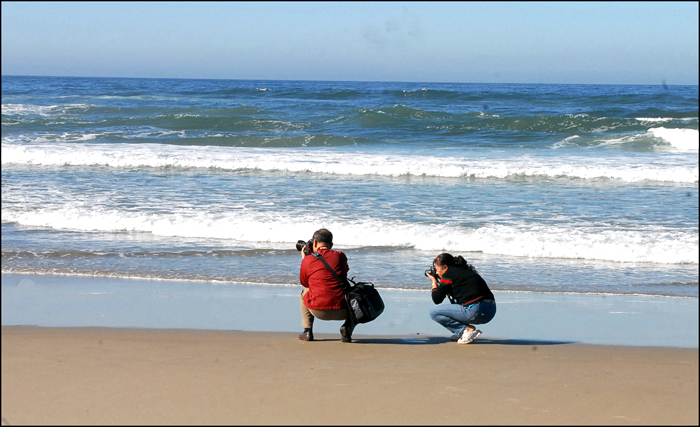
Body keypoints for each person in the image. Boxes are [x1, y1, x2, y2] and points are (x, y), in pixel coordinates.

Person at [298, 228, 356, 343]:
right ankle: (348, 328)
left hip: (318, 310)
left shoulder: (308, 260)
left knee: (305, 291)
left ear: (314, 243)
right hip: (344, 310)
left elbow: (305, 283)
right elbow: (344, 272)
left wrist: (305, 260)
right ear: (331, 244)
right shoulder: (340, 256)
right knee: (354, 296)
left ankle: (307, 331)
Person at [426, 253, 496, 344]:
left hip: (476, 311)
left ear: (445, 267)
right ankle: (463, 333)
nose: (437, 272)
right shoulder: (465, 272)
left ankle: (464, 330)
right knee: (456, 304)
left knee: (434, 312)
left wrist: (434, 282)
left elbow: (437, 299)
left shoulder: (449, 274)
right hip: (490, 312)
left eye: (437, 269)